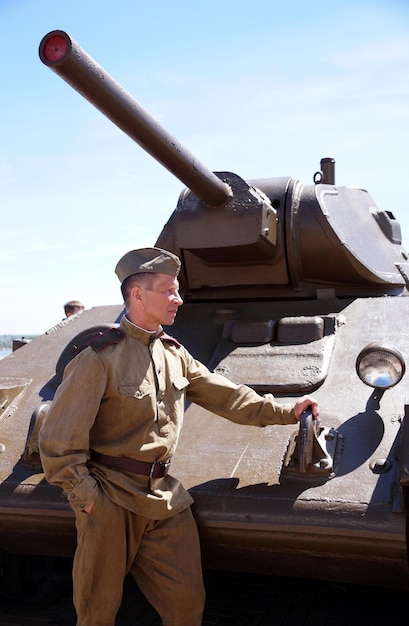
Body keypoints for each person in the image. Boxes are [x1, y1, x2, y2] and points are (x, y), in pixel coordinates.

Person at [39, 247, 319, 626]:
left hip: (164, 499)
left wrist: (288, 411)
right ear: (137, 295)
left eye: (177, 290)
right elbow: (58, 442)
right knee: (97, 614)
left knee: (187, 608)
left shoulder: (175, 354)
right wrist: (89, 501)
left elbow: (229, 398)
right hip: (109, 500)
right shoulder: (98, 358)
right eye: (169, 291)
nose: (178, 299)